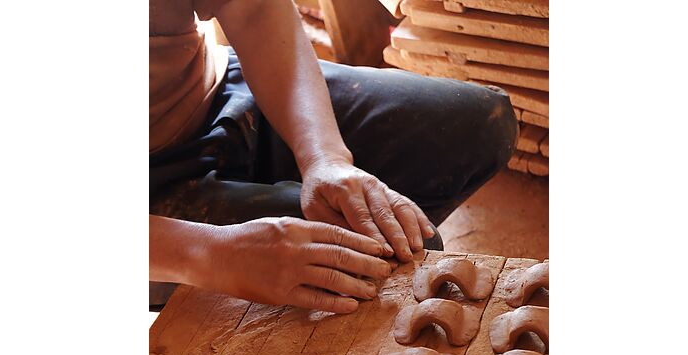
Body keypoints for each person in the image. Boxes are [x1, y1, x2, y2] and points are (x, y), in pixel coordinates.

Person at [150, 0, 517, 311]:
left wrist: (324, 158)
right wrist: (212, 255)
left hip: (218, 90)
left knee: (482, 123)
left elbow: (254, 11)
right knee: (390, 260)